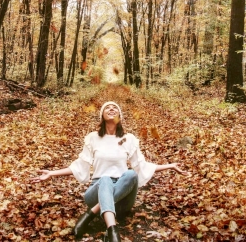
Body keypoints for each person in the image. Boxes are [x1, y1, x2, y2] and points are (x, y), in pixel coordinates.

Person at [31, 101, 189, 241]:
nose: (112, 108)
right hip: (96, 190)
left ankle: (91, 214)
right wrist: (51, 173)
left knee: (131, 173)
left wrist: (170, 166)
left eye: (115, 107)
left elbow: (142, 166)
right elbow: (79, 166)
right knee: (105, 179)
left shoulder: (129, 139)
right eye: (107, 107)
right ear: (102, 115)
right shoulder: (93, 138)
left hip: (123, 198)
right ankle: (113, 232)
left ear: (120, 115)